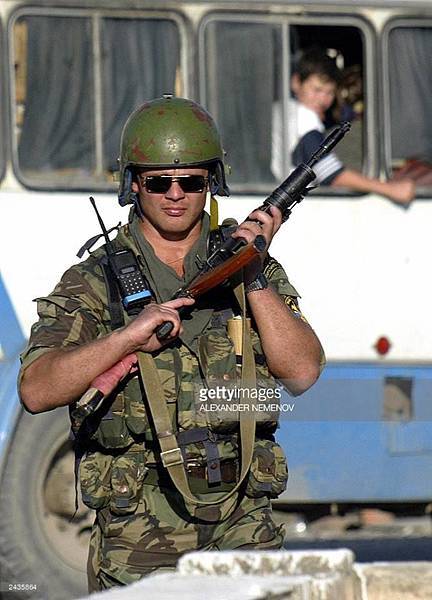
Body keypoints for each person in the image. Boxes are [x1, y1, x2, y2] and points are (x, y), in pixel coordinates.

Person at [18, 96, 324, 591]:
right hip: (139, 539)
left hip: (242, 528)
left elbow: (303, 373)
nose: (176, 194)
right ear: (134, 185)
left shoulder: (251, 267)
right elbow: (36, 389)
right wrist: (125, 339)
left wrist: (250, 272)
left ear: (212, 184)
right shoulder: (95, 280)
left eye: (193, 182)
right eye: (159, 182)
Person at [272, 48, 416, 206]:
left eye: (330, 92)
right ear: (296, 82)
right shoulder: (306, 117)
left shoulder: (281, 109)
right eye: (317, 89)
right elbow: (332, 175)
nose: (323, 99)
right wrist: (391, 189)